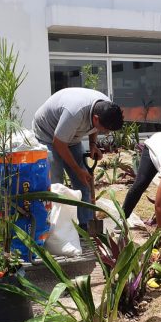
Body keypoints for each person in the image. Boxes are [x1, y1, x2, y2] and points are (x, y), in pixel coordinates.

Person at [32, 87, 123, 229]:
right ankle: (55, 228)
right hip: (48, 134)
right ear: (95, 118)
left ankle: (85, 226)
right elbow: (59, 143)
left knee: (83, 184)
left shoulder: (106, 107)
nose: (106, 133)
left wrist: (93, 145)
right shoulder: (74, 113)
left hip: (70, 135)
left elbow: (95, 127)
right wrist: (78, 171)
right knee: (56, 185)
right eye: (105, 129)